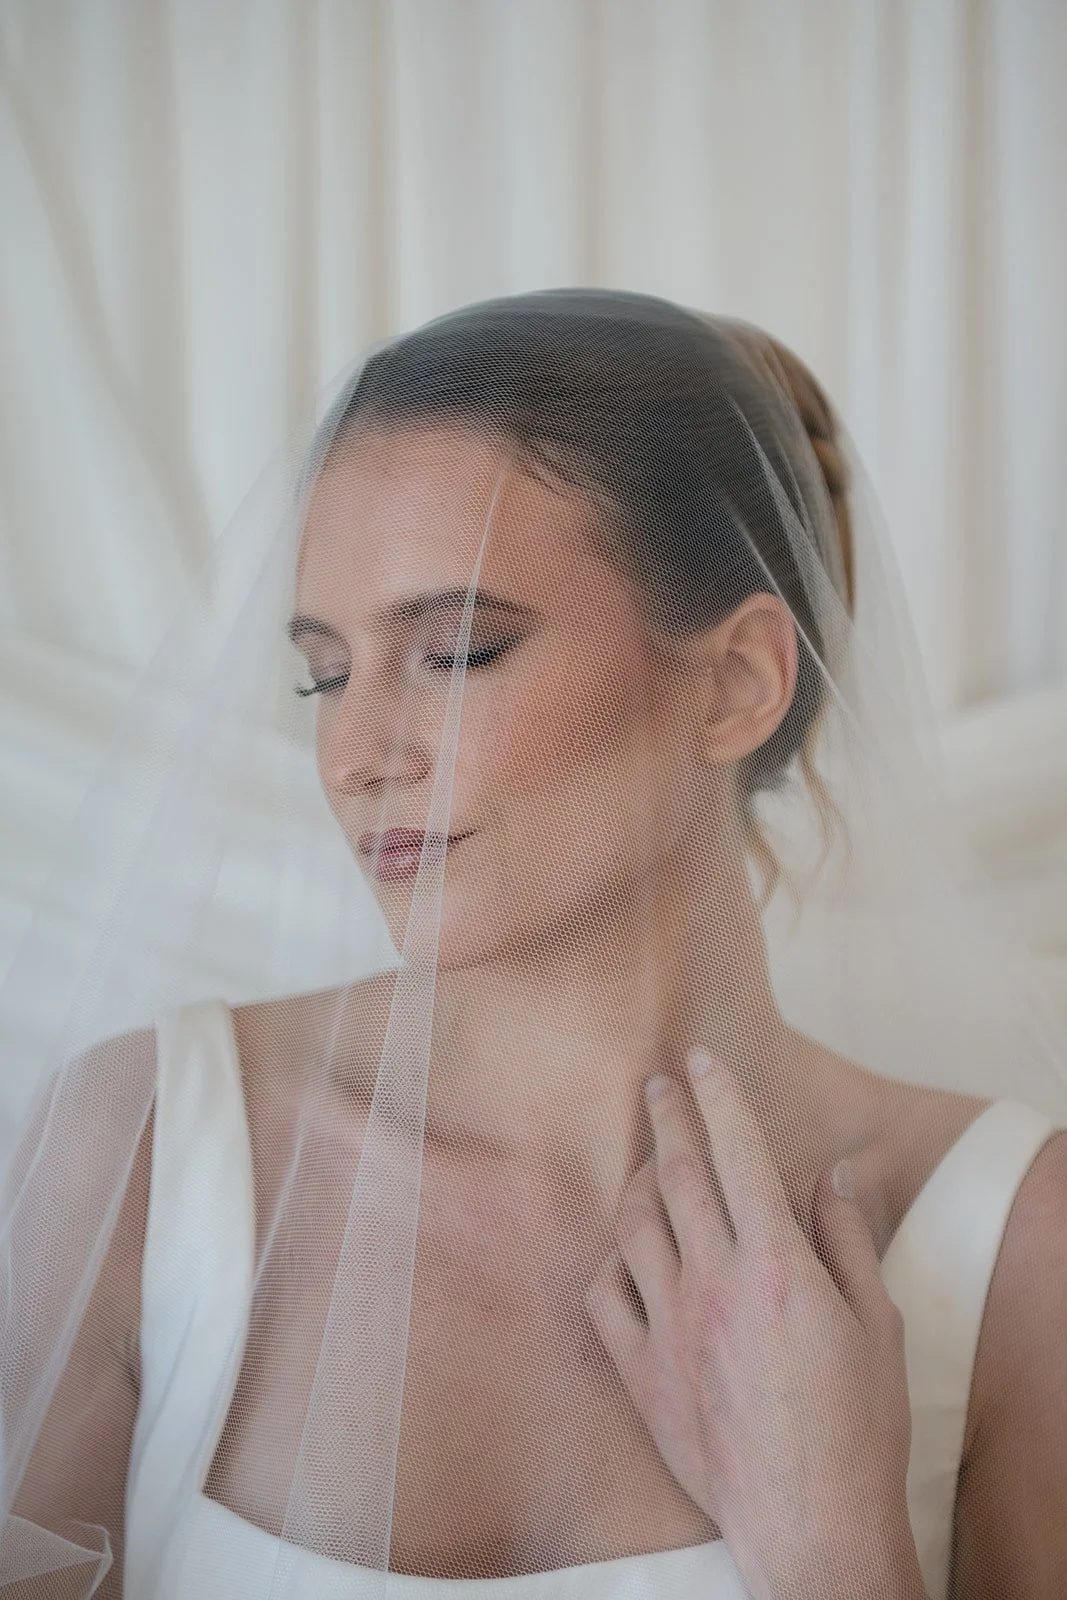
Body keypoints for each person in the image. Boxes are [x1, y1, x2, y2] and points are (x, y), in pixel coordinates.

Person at [3, 291, 1066, 1599]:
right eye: (324, 673)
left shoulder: (1017, 1247)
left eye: (453, 651)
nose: (352, 757)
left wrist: (832, 1544)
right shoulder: (143, 1154)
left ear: (737, 681)